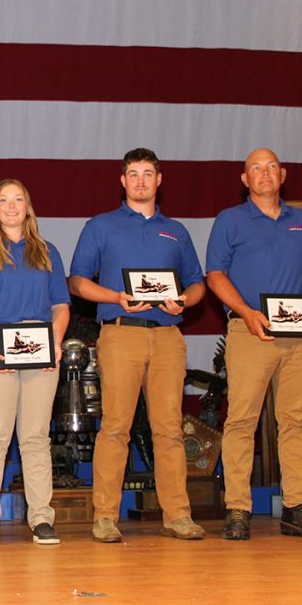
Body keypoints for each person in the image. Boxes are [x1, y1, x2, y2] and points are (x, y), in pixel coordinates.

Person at [69, 148, 207, 543]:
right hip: (120, 332)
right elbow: (77, 281)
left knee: (169, 430)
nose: (141, 181)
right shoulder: (101, 226)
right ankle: (105, 516)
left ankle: (178, 515)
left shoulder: (176, 231)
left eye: (148, 174)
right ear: (122, 180)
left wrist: (185, 299)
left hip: (167, 336)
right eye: (133, 174)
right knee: (115, 427)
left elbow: (197, 282)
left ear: (159, 180)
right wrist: (116, 297)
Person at [206, 148, 302, 540]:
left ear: (283, 175)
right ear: (245, 180)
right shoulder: (230, 221)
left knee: (296, 419)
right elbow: (215, 275)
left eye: (270, 168)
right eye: (255, 169)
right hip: (251, 332)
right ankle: (237, 509)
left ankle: (297, 506)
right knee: (242, 420)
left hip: (298, 337)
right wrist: (247, 312)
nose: (264, 174)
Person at [0, 179, 69, 546]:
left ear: (28, 207)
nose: (10, 206)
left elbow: (61, 305)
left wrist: (55, 341)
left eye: (18, 199)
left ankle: (40, 518)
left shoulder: (47, 251)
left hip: (40, 343)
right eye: (3, 200)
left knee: (36, 436)